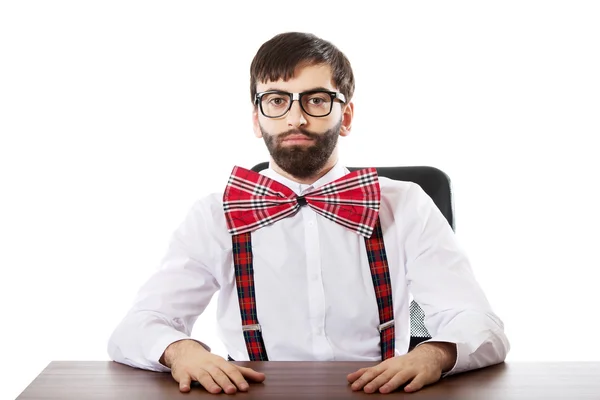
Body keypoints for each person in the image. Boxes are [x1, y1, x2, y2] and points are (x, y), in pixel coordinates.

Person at [107, 31, 509, 395]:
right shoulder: (216, 214)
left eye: (316, 100)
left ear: (345, 116)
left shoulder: (405, 204)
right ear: (256, 118)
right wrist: (180, 350)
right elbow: (137, 326)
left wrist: (434, 354)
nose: (295, 118)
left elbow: (478, 322)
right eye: (277, 100)